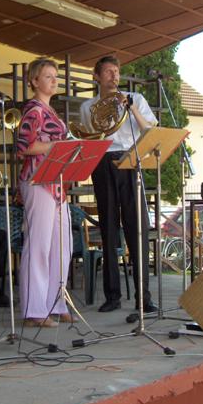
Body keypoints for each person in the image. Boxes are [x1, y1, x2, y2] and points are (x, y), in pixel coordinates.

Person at [79, 55, 158, 313]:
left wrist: (131, 108)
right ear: (97, 76)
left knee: (137, 229)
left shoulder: (136, 98)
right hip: (103, 162)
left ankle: (143, 297)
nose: (114, 75)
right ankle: (112, 296)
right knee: (109, 229)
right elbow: (92, 136)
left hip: (130, 160)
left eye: (116, 71)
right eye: (108, 72)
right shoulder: (88, 106)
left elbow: (149, 131)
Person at [15, 58, 74, 327]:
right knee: (39, 246)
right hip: (38, 180)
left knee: (62, 246)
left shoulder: (51, 111)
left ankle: (56, 303)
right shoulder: (33, 110)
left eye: (55, 76)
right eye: (48, 76)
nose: (54, 80)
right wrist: (57, 146)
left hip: (56, 182)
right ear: (34, 81)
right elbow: (24, 146)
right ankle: (34, 310)